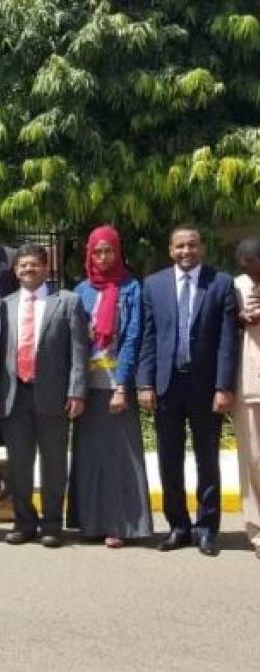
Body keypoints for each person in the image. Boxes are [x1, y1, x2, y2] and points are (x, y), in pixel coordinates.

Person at [138, 225, 238, 556]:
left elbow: (226, 341)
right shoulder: (153, 285)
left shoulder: (220, 283)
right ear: (170, 250)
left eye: (192, 246)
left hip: (206, 387)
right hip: (167, 385)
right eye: (180, 246)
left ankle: (207, 528)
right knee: (169, 459)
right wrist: (145, 382)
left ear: (202, 248)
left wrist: (224, 387)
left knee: (207, 460)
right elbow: (149, 338)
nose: (186, 252)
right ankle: (178, 526)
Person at [0, 244, 88, 547]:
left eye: (34, 265)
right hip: (14, 395)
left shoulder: (68, 302)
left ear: (47, 269)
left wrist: (77, 391)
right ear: (15, 271)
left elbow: (79, 351)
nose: (28, 270)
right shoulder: (4, 305)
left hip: (54, 395)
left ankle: (51, 524)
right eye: (22, 266)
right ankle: (24, 522)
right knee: (19, 463)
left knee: (54, 464)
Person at [67, 226, 153, 547]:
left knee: (121, 456)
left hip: (117, 384)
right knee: (90, 456)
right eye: (97, 252)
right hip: (87, 385)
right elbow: (75, 341)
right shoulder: (81, 290)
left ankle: (121, 524)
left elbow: (133, 337)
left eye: (109, 251)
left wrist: (121, 386)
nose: (103, 257)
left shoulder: (131, 288)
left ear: (118, 252)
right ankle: (90, 523)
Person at [232, 236, 260, 559]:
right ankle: (256, 531)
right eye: (246, 269)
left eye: (255, 269)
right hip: (247, 383)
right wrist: (239, 320)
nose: (251, 276)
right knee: (252, 459)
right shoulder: (235, 285)